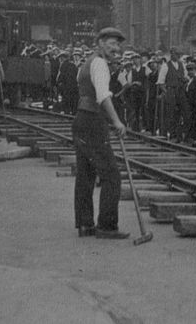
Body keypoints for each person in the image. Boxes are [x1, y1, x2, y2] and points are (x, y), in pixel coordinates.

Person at [73, 27, 129, 239]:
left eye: (118, 44)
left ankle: (85, 224)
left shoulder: (88, 62)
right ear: (100, 43)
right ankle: (107, 226)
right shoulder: (99, 64)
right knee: (111, 175)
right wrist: (116, 121)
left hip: (82, 118)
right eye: (112, 43)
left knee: (86, 174)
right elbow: (103, 96)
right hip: (92, 121)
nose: (116, 48)